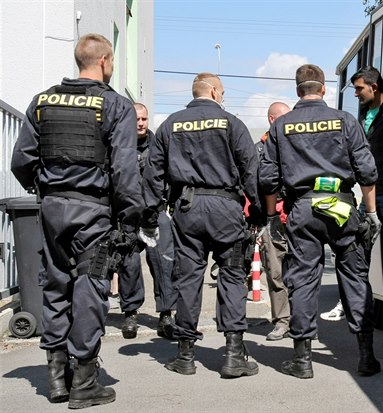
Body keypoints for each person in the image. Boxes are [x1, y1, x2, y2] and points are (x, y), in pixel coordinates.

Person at [11, 33, 143, 408]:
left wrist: (48, 189)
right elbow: (124, 168)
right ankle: (84, 380)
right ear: (105, 60)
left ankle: (56, 378)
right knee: (90, 287)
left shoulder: (43, 101)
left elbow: (21, 161)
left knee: (55, 284)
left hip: (52, 208)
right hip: (93, 212)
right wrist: (130, 217)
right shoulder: (115, 105)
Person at [259, 64, 382, 378]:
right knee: (354, 277)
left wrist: (272, 217)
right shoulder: (345, 121)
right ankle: (366, 357)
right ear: (324, 89)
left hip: (302, 208)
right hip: (340, 205)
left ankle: (302, 361)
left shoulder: (281, 126)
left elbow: (268, 179)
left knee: (303, 279)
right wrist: (370, 214)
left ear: (298, 91)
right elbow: (367, 172)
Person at [141, 72, 261, 378]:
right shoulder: (232, 123)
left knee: (188, 279)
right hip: (226, 210)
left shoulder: (170, 124)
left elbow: (153, 173)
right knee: (233, 275)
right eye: (222, 92)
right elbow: (251, 168)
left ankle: (185, 355)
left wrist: (150, 215)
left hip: (187, 209)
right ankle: (233, 354)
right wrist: (258, 212)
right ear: (215, 92)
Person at [320, 66, 383, 321]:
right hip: (366, 196)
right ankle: (347, 303)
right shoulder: (361, 117)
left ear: (373, 87)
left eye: (358, 89)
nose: (355, 94)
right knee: (355, 249)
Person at [115, 103, 177, 339]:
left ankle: (165, 315)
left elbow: (171, 175)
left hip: (156, 212)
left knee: (163, 264)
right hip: (128, 216)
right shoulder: (119, 146)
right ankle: (130, 314)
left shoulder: (159, 146)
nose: (140, 123)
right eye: (136, 119)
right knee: (128, 264)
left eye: (144, 118)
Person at [257, 102, 292, 341]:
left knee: (302, 273)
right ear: (272, 120)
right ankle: (281, 321)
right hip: (272, 218)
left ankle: (300, 320)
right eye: (284, 118)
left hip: (297, 217)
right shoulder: (259, 148)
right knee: (275, 273)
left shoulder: (296, 142)